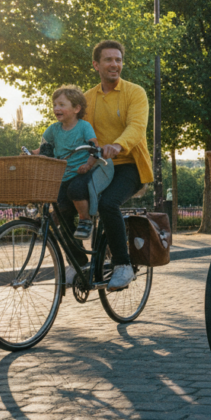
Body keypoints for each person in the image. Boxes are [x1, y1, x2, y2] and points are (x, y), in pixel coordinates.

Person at [84, 40, 154, 290]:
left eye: (118, 60)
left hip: (129, 164)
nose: (115, 64)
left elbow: (136, 127)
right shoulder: (87, 98)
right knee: (64, 198)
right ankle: (78, 263)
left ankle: (123, 265)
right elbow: (75, 130)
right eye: (108, 60)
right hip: (98, 165)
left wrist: (118, 145)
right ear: (96, 65)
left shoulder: (135, 93)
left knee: (107, 203)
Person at [30, 86, 100, 241]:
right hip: (62, 175)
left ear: (76, 108)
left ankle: (85, 219)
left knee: (75, 190)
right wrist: (30, 154)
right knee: (60, 206)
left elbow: (94, 147)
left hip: (81, 172)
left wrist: (88, 165)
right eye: (55, 105)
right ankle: (78, 262)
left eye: (62, 105)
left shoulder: (84, 126)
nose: (57, 108)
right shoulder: (53, 129)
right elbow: (43, 148)